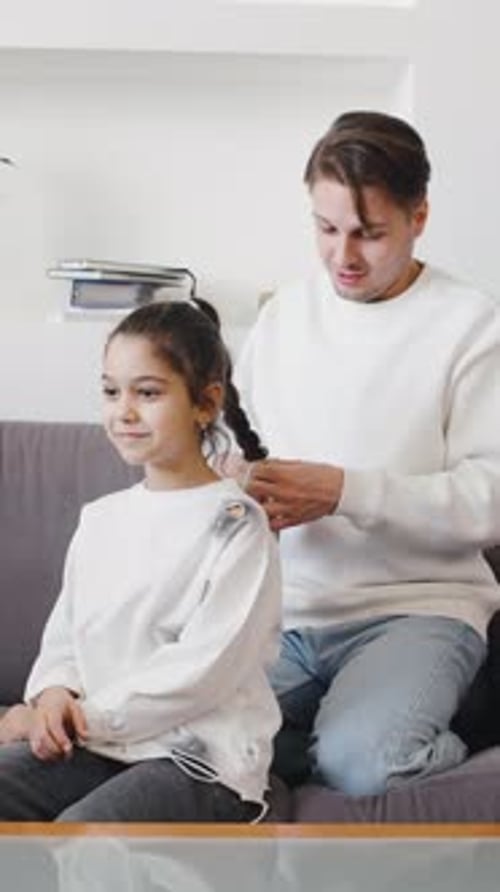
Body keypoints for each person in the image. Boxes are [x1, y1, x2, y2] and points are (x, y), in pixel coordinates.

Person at [234, 110, 500, 796]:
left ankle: (428, 729)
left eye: (369, 234)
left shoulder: (471, 325)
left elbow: (489, 498)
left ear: (420, 217)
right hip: (286, 616)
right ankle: (337, 731)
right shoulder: (284, 317)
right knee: (186, 745)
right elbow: (233, 446)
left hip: (418, 610)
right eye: (326, 230)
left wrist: (344, 491)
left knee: (365, 764)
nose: (343, 257)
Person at [0, 298, 281, 821]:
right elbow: (66, 638)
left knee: (84, 834)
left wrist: (81, 716)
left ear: (205, 403)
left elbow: (201, 672)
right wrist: (54, 694)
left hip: (195, 759)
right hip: (101, 744)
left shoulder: (238, 524)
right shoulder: (101, 519)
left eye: (147, 393)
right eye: (111, 391)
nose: (123, 411)